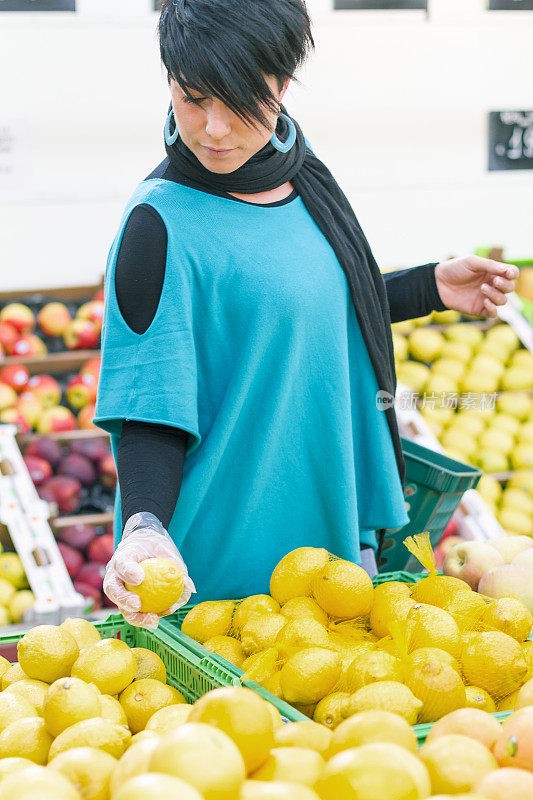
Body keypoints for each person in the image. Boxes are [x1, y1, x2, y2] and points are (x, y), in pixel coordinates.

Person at [95, 0, 518, 628]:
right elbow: (150, 403)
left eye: (240, 102)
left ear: (283, 85)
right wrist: (146, 527)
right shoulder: (160, 223)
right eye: (193, 98)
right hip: (222, 575)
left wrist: (428, 287)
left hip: (333, 550)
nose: (213, 129)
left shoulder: (303, 176)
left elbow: (311, 303)